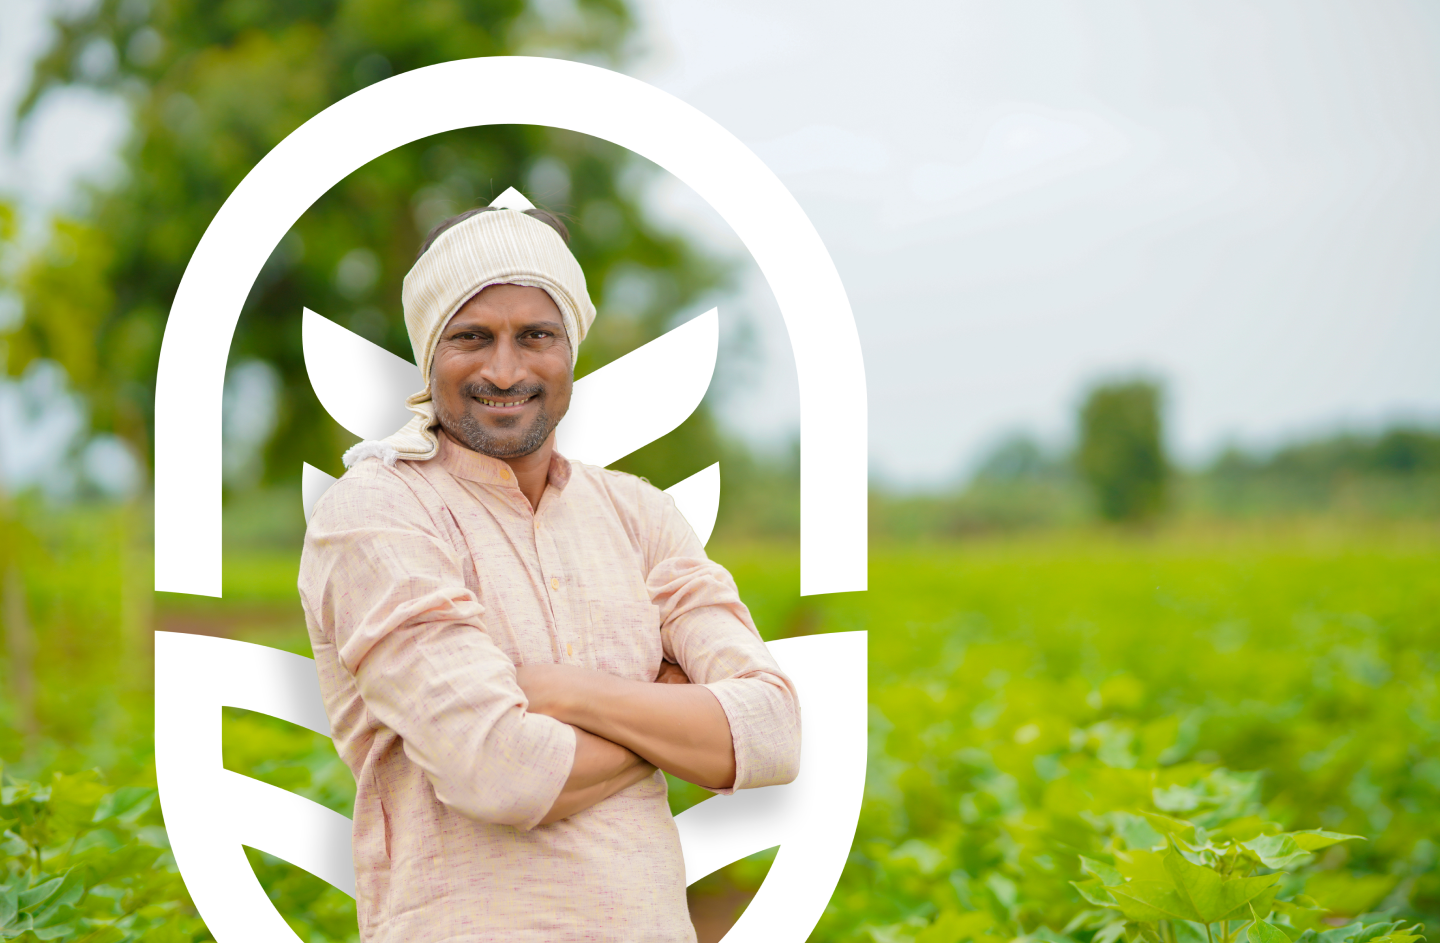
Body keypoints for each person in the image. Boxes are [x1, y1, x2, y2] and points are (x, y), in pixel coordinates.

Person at [298, 205, 801, 943]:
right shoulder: (376, 512)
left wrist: (565, 691)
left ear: (571, 350)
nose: (506, 369)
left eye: (535, 335)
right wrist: (673, 717)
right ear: (430, 352)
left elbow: (774, 731)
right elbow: (498, 769)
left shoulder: (637, 513)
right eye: (472, 337)